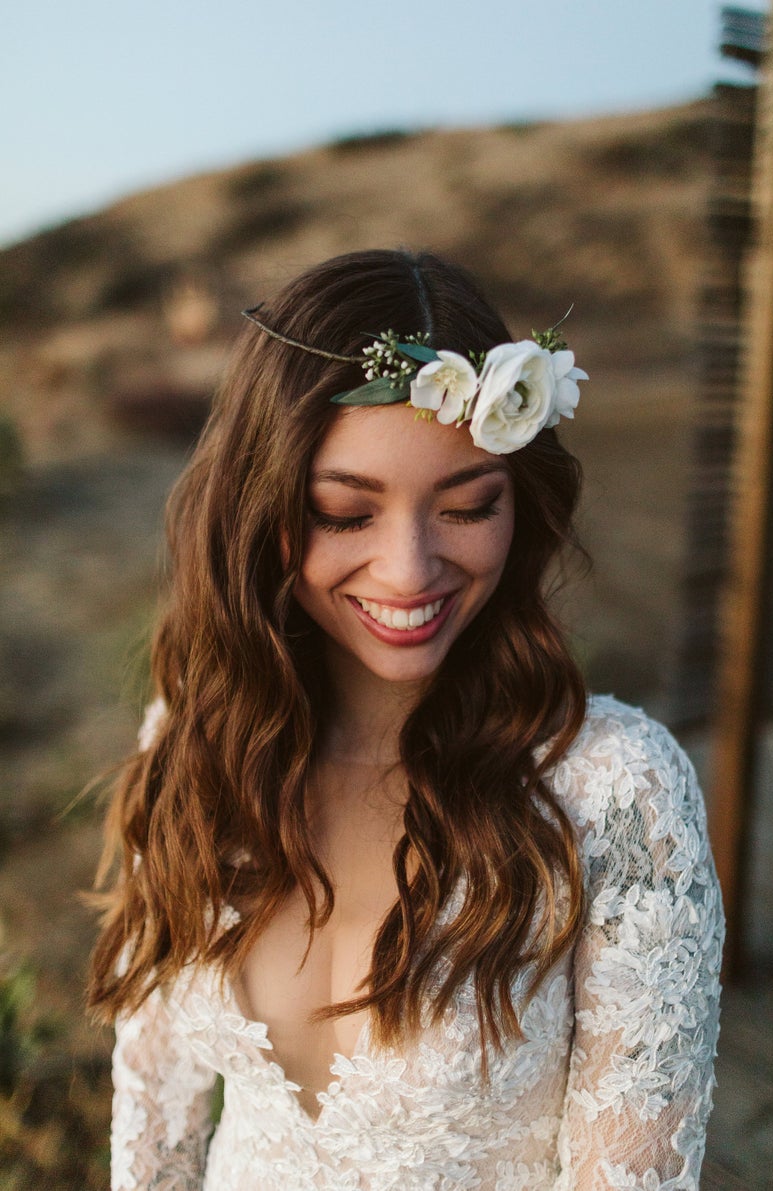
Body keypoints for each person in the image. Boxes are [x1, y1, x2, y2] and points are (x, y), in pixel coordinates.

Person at [87, 249, 724, 1190]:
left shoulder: (615, 791)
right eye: (344, 513)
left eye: (468, 506)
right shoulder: (194, 744)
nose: (409, 569)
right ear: (259, 511)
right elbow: (155, 1130)